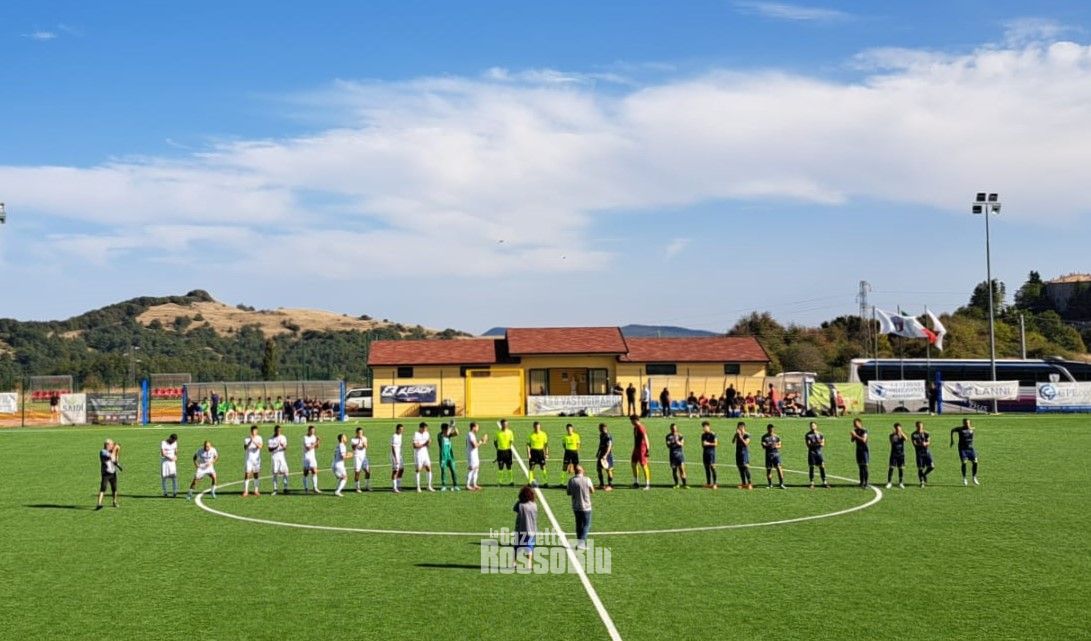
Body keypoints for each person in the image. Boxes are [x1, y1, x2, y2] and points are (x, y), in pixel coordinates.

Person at [567, 465, 595, 549]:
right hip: (586, 506)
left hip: (576, 506)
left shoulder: (571, 480)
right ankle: (581, 543)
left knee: (578, 525)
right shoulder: (587, 479)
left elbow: (568, 493)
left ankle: (579, 542)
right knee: (586, 525)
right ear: (582, 471)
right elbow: (592, 491)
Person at [513, 485, 538, 569]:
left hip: (520, 529)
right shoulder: (534, 505)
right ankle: (529, 564)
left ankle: (514, 562)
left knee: (517, 546)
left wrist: (519, 500)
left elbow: (514, 509)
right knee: (529, 547)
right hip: (531, 529)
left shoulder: (520, 505)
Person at [950, 418, 980, 486]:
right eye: (966, 423)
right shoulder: (960, 429)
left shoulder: (971, 429)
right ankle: (964, 478)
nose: (967, 424)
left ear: (970, 423)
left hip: (970, 448)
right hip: (962, 449)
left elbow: (973, 428)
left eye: (968, 423)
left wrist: (972, 428)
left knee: (975, 462)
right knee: (964, 462)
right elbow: (952, 430)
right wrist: (952, 440)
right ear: (963, 423)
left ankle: (974, 477)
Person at [96, 439, 120, 509]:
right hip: (106, 473)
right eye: (111, 444)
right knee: (103, 488)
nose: (112, 446)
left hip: (113, 472)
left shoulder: (111, 451)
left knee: (114, 488)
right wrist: (115, 449)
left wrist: (117, 451)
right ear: (107, 445)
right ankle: (99, 504)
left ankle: (114, 502)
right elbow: (111, 457)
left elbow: (115, 460)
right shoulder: (103, 452)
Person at [804, 422, 829, 488]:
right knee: (812, 467)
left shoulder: (820, 434)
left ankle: (824, 481)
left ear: (816, 426)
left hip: (819, 453)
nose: (812, 427)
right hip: (812, 453)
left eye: (813, 425)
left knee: (822, 466)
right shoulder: (808, 435)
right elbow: (808, 445)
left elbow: (822, 444)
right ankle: (812, 482)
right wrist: (817, 443)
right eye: (811, 426)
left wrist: (816, 443)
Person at [761, 424, 786, 489]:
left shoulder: (777, 437)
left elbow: (780, 445)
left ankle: (781, 484)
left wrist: (775, 446)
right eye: (769, 429)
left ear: (773, 429)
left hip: (776, 455)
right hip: (768, 455)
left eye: (772, 429)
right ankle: (770, 484)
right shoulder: (764, 437)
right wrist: (767, 445)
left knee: (779, 468)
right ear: (767, 429)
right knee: (769, 470)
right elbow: (763, 446)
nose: (771, 430)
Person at [911, 421, 935, 487]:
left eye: (921, 427)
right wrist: (920, 444)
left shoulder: (926, 433)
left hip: (926, 452)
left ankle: (924, 474)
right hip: (919, 453)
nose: (920, 428)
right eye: (918, 427)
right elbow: (914, 444)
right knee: (920, 468)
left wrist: (926, 443)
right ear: (916, 427)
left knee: (932, 466)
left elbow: (929, 442)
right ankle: (921, 482)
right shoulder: (914, 434)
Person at [630, 415, 651, 490]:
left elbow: (646, 437)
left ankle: (647, 485)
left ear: (635, 420)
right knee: (633, 464)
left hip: (642, 449)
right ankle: (636, 482)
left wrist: (647, 449)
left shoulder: (640, 427)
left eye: (632, 420)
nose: (631, 422)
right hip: (636, 449)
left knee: (644, 465)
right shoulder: (635, 427)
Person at [412, 422, 435, 492]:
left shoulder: (426, 433)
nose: (426, 429)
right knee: (418, 470)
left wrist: (429, 442)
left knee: (429, 468)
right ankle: (418, 487)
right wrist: (424, 444)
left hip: (425, 453)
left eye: (426, 428)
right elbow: (414, 446)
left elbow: (429, 442)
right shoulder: (416, 434)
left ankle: (429, 486)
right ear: (421, 428)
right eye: (425, 428)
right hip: (418, 454)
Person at [268, 424, 290, 494]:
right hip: (274, 457)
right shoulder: (271, 439)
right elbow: (269, 449)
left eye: (280, 431)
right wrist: (276, 446)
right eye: (277, 431)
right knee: (275, 473)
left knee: (285, 472)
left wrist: (283, 446)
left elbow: (285, 448)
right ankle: (275, 489)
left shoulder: (283, 437)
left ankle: (285, 488)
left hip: (281, 457)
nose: (279, 432)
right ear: (275, 431)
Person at [437, 423, 460, 491]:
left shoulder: (448, 435)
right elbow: (446, 434)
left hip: (450, 456)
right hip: (443, 456)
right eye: (447, 429)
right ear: (443, 429)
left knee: (453, 470)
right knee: (443, 471)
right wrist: (451, 426)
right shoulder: (440, 435)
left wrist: (454, 426)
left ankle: (455, 485)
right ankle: (444, 486)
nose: (448, 430)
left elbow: (457, 433)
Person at [526, 421, 549, 487]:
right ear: (534, 427)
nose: (537, 429)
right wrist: (529, 453)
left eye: (538, 427)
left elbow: (546, 445)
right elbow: (528, 445)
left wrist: (546, 453)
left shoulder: (543, 434)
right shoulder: (531, 435)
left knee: (543, 467)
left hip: (541, 452)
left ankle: (545, 482)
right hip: (533, 452)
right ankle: (529, 482)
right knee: (531, 467)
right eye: (536, 427)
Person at [242, 424, 263, 497]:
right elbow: (245, 448)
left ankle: (256, 490)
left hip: (256, 460)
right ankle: (246, 491)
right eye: (253, 431)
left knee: (256, 474)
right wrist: (250, 441)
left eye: (255, 431)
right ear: (251, 431)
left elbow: (260, 446)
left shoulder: (259, 438)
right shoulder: (247, 439)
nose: (254, 432)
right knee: (247, 474)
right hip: (249, 459)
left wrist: (254, 441)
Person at [466, 422, 487, 491]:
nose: (478, 428)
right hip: (472, 455)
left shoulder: (472, 435)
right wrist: (481, 441)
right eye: (477, 427)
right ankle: (468, 485)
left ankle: (474, 484)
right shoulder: (470, 435)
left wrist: (482, 442)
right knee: (472, 469)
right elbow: (474, 445)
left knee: (476, 469)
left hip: (474, 454)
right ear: (473, 427)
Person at [665, 423, 688, 488]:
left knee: (682, 470)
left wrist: (678, 443)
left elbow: (682, 444)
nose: (674, 430)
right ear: (671, 429)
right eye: (672, 429)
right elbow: (668, 445)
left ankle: (684, 484)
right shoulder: (668, 436)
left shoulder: (680, 435)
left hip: (680, 455)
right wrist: (672, 442)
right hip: (672, 456)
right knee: (674, 470)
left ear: (676, 428)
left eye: (675, 428)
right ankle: (676, 484)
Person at [886, 423, 907, 489]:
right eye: (897, 429)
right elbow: (892, 441)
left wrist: (901, 433)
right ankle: (889, 482)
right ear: (895, 429)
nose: (898, 430)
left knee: (901, 468)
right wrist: (896, 435)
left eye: (899, 429)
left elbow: (906, 439)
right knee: (891, 468)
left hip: (901, 454)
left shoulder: (902, 435)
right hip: (894, 454)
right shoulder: (892, 435)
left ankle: (900, 483)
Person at [850, 418, 870, 488]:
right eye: (854, 424)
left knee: (865, 466)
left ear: (860, 423)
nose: (855, 425)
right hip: (858, 450)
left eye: (856, 424)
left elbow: (864, 440)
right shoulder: (855, 431)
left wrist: (855, 435)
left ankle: (866, 483)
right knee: (860, 467)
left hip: (864, 450)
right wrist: (852, 435)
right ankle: (861, 482)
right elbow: (852, 440)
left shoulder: (864, 430)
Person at [732, 422, 752, 489]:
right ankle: (744, 483)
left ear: (743, 427)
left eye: (740, 427)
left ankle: (749, 483)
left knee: (745, 468)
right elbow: (733, 441)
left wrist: (740, 437)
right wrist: (735, 435)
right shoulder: (737, 434)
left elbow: (746, 444)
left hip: (744, 453)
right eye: (738, 427)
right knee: (740, 468)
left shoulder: (747, 435)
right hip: (738, 453)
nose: (739, 429)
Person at [494, 419, 515, 486]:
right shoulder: (498, 433)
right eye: (504, 424)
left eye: (506, 424)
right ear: (501, 424)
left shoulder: (510, 432)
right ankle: (500, 482)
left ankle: (511, 481)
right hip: (500, 451)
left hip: (508, 451)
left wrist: (508, 447)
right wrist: (498, 448)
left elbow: (511, 441)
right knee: (500, 467)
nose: (505, 425)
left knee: (509, 466)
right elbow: (495, 442)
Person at [302, 425, 321, 494]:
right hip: (306, 457)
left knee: (314, 471)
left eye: (314, 430)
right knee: (306, 473)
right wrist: (315, 443)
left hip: (312, 457)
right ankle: (306, 488)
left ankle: (315, 488)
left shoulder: (314, 437)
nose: (313, 432)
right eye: (311, 431)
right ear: (308, 430)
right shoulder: (305, 438)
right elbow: (308, 448)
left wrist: (318, 441)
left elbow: (317, 447)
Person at [595, 422, 615, 491]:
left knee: (608, 469)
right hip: (601, 454)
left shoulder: (608, 436)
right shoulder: (601, 435)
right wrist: (598, 452)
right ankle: (602, 484)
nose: (600, 430)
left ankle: (610, 485)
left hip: (607, 455)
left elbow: (609, 446)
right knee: (598, 469)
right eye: (600, 428)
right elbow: (600, 444)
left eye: (601, 428)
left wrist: (606, 455)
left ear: (605, 428)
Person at [351, 427, 371, 492]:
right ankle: (357, 487)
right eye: (359, 433)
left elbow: (366, 446)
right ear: (356, 433)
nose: (361, 434)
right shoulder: (353, 440)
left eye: (362, 433)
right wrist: (358, 442)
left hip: (364, 457)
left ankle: (367, 486)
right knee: (357, 472)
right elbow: (353, 448)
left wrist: (362, 441)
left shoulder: (364, 438)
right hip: (357, 457)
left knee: (368, 471)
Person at [700, 421, 718, 488]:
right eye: (703, 427)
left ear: (708, 427)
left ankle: (715, 484)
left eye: (705, 427)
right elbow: (702, 444)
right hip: (705, 453)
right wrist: (704, 444)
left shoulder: (713, 434)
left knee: (712, 467)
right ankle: (708, 483)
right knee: (706, 468)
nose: (704, 428)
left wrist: (708, 444)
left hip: (711, 453)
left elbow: (716, 444)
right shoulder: (703, 435)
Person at [160, 433, 179, 497]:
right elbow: (162, 453)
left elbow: (176, 450)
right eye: (173, 440)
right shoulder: (163, 443)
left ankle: (175, 492)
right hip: (165, 462)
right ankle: (165, 492)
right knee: (164, 477)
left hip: (172, 462)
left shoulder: (175, 442)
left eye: (174, 441)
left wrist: (175, 456)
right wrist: (169, 458)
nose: (173, 442)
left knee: (174, 477)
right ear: (170, 438)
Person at [390, 424, 405, 493]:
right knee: (395, 471)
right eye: (400, 429)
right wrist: (395, 458)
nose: (402, 431)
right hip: (394, 456)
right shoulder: (394, 436)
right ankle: (394, 487)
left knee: (401, 469)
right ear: (397, 429)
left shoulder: (400, 435)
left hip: (399, 455)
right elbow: (393, 448)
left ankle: (398, 485)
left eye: (402, 429)